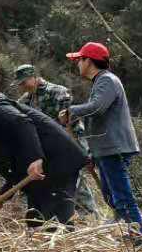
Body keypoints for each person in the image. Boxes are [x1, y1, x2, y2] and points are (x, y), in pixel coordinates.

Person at [0, 91, 87, 227]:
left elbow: (23, 122)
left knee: (55, 223)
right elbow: (14, 164)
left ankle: (64, 247)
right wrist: (1, 195)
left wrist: (36, 158)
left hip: (56, 163)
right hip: (41, 172)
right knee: (36, 222)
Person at [60, 42, 142, 239]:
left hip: (114, 148)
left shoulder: (107, 80)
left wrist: (71, 111)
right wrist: (93, 154)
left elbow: (98, 107)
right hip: (106, 149)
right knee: (111, 194)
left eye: (79, 60)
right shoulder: (103, 81)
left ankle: (139, 234)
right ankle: (124, 228)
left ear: (89, 61)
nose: (77, 64)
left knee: (121, 195)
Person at [12, 62, 102, 217]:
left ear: (34, 77)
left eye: (24, 82)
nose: (22, 86)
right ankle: (63, 212)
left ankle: (89, 213)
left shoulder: (57, 91)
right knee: (58, 179)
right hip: (49, 146)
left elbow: (68, 118)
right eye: (20, 84)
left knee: (76, 175)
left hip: (70, 138)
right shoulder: (24, 101)